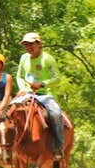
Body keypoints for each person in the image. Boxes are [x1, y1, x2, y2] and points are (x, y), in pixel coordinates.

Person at [14, 32, 64, 160]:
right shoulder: (23, 58)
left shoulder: (47, 58)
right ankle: (7, 146)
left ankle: (58, 147)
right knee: (7, 112)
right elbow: (19, 76)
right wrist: (23, 89)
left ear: (39, 44)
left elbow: (57, 77)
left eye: (31, 44)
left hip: (44, 95)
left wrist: (42, 84)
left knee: (56, 114)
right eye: (26, 45)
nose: (28, 47)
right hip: (26, 93)